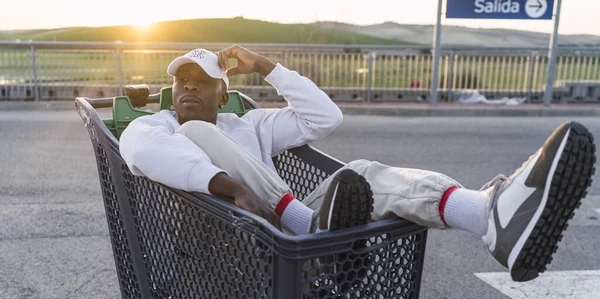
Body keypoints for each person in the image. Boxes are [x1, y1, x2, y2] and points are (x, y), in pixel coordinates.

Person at [120, 46, 596, 283]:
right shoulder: (156, 126)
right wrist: (228, 186)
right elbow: (141, 152)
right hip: (224, 260)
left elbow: (325, 117)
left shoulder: (250, 124)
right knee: (195, 133)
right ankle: (313, 231)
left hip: (283, 242)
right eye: (181, 79)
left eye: (201, 80)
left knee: (361, 173)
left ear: (224, 91)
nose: (187, 87)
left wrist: (266, 66)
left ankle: (487, 215)